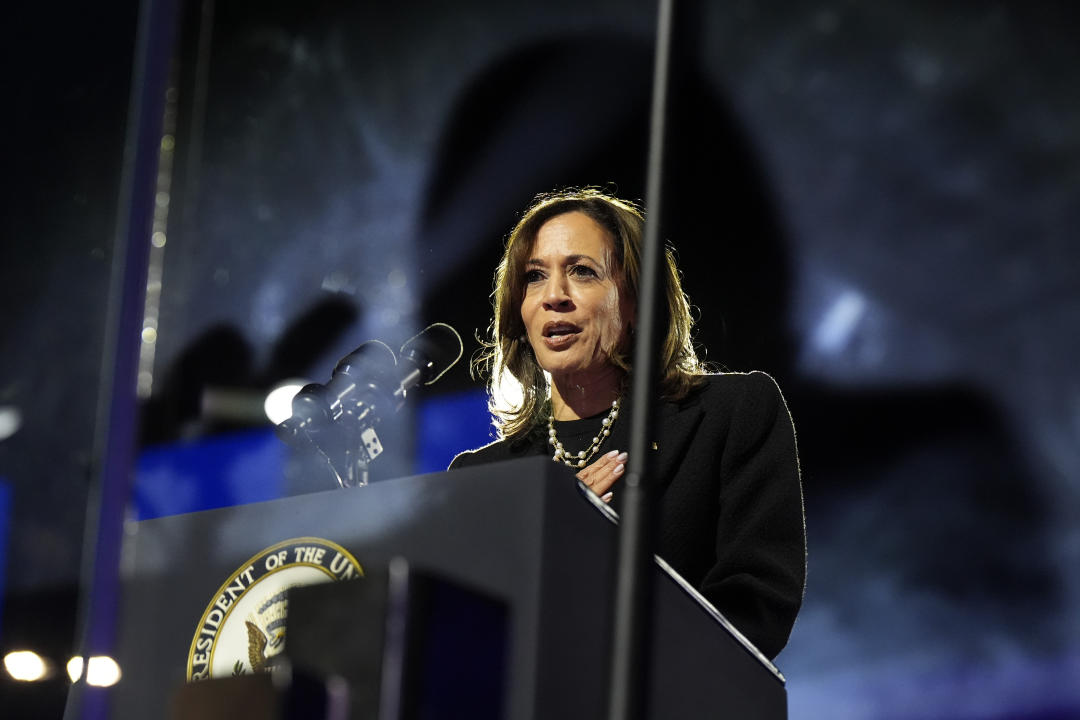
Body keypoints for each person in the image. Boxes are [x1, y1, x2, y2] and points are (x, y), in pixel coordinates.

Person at [449, 188, 805, 660]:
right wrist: (551, 549)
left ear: (637, 301)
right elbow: (466, 644)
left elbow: (755, 611)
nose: (554, 296)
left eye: (582, 272)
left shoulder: (730, 415)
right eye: (534, 277)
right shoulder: (480, 478)